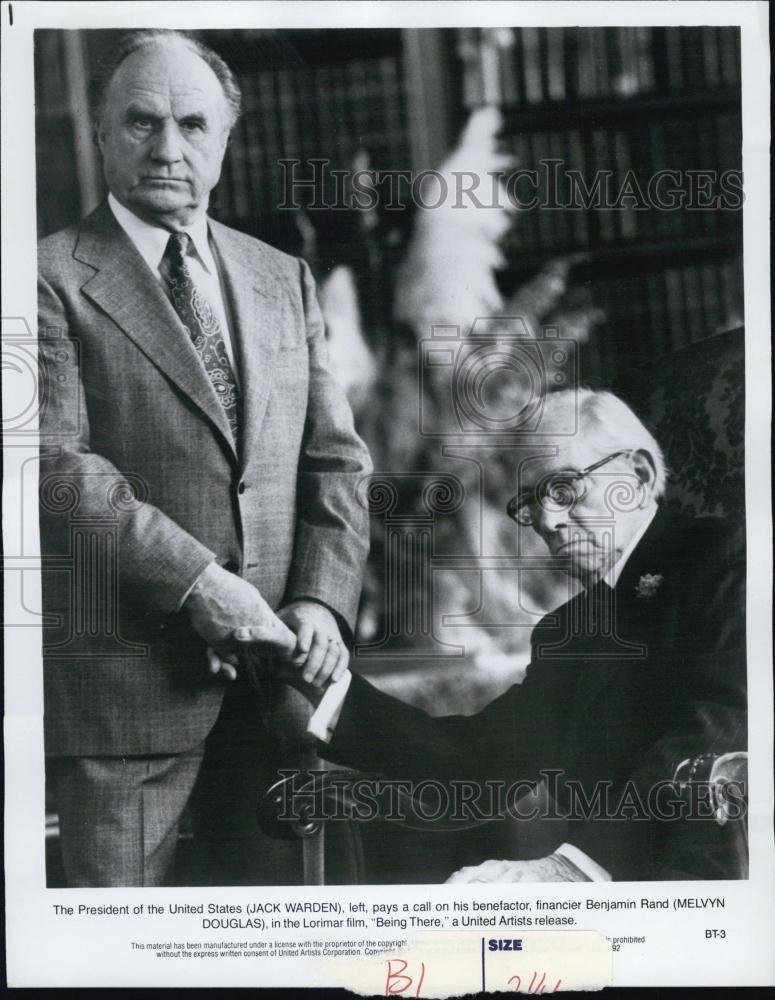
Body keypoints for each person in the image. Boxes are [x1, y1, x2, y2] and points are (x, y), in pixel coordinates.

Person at [38, 29, 371, 887]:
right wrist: (199, 584)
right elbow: (54, 465)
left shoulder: (280, 277)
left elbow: (335, 461)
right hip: (128, 705)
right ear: (104, 131)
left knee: (279, 952)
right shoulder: (41, 279)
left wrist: (321, 603)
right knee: (119, 961)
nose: (167, 148)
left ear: (225, 138)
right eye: (141, 122)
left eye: (192, 125)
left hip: (279, 693)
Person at [237, 388, 747, 881]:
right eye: (529, 503)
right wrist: (321, 680)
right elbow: (480, 762)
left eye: (564, 489)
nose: (546, 521)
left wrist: (578, 866)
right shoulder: (568, 631)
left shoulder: (732, 563)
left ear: (637, 475)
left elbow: (724, 731)